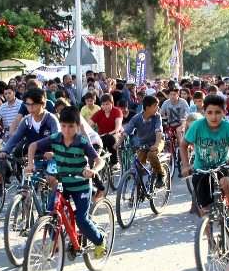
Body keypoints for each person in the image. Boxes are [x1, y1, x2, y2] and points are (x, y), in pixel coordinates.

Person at [25, 106, 106, 259]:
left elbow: (99, 160)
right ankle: (56, 240)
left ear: (78, 126)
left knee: (81, 219)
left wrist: (93, 170)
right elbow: (33, 146)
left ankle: (100, 240)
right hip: (63, 184)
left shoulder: (82, 142)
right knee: (50, 213)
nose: (67, 130)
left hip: (81, 185)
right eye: (63, 126)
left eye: (71, 126)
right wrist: (30, 164)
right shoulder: (55, 138)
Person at [179, 94, 229, 235]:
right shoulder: (198, 126)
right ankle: (211, 245)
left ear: (224, 112)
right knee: (204, 211)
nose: (214, 117)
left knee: (228, 183)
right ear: (204, 113)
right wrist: (186, 166)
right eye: (209, 113)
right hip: (201, 169)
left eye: (218, 112)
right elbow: (183, 145)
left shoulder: (227, 126)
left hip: (222, 166)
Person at [117, 94, 165, 189]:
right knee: (138, 168)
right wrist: (118, 143)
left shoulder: (157, 117)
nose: (158, 108)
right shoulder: (136, 118)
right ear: (148, 108)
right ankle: (137, 194)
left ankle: (161, 174)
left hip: (157, 141)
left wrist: (156, 144)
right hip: (142, 144)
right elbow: (127, 131)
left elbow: (158, 130)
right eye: (155, 106)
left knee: (151, 155)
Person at [90, 93, 123, 161]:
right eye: (103, 104)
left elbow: (118, 127)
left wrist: (110, 133)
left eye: (107, 104)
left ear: (112, 103)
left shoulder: (117, 111)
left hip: (116, 134)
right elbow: (89, 124)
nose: (105, 106)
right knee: (97, 143)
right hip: (102, 136)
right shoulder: (99, 113)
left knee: (109, 138)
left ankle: (115, 161)